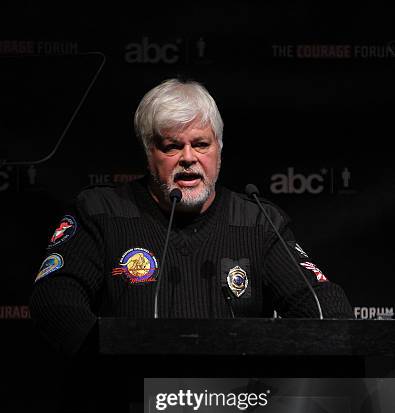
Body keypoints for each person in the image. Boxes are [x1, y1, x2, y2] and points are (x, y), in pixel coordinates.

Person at [30, 78, 353, 354]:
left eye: (201, 144)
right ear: (148, 153)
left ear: (219, 149)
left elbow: (323, 305)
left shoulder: (257, 221)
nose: (188, 158)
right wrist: (107, 366)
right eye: (171, 146)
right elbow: (56, 300)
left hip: (235, 408)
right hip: (130, 402)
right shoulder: (101, 210)